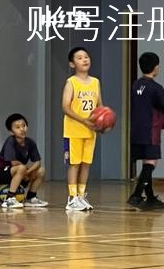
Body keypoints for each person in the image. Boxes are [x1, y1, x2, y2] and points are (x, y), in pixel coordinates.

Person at [127, 52, 164, 210]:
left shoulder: (136, 85)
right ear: (156, 68)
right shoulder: (156, 88)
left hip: (136, 130)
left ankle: (149, 198)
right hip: (151, 131)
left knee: (146, 163)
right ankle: (136, 195)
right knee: (150, 163)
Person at [62, 46, 103, 211]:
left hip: (90, 131)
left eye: (86, 56)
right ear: (72, 64)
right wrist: (84, 121)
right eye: (79, 58)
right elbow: (65, 107)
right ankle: (72, 198)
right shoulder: (71, 82)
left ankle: (81, 195)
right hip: (73, 130)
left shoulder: (95, 82)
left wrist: (102, 121)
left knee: (86, 164)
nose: (84, 60)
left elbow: (100, 106)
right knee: (74, 164)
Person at [0, 113, 49, 209]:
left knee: (41, 170)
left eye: (24, 125)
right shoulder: (10, 141)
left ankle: (31, 198)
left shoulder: (30, 143)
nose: (22, 129)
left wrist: (28, 172)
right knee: (21, 168)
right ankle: (10, 199)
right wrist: (25, 171)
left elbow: (37, 162)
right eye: (17, 127)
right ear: (11, 131)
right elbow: (13, 162)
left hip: (20, 172)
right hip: (2, 172)